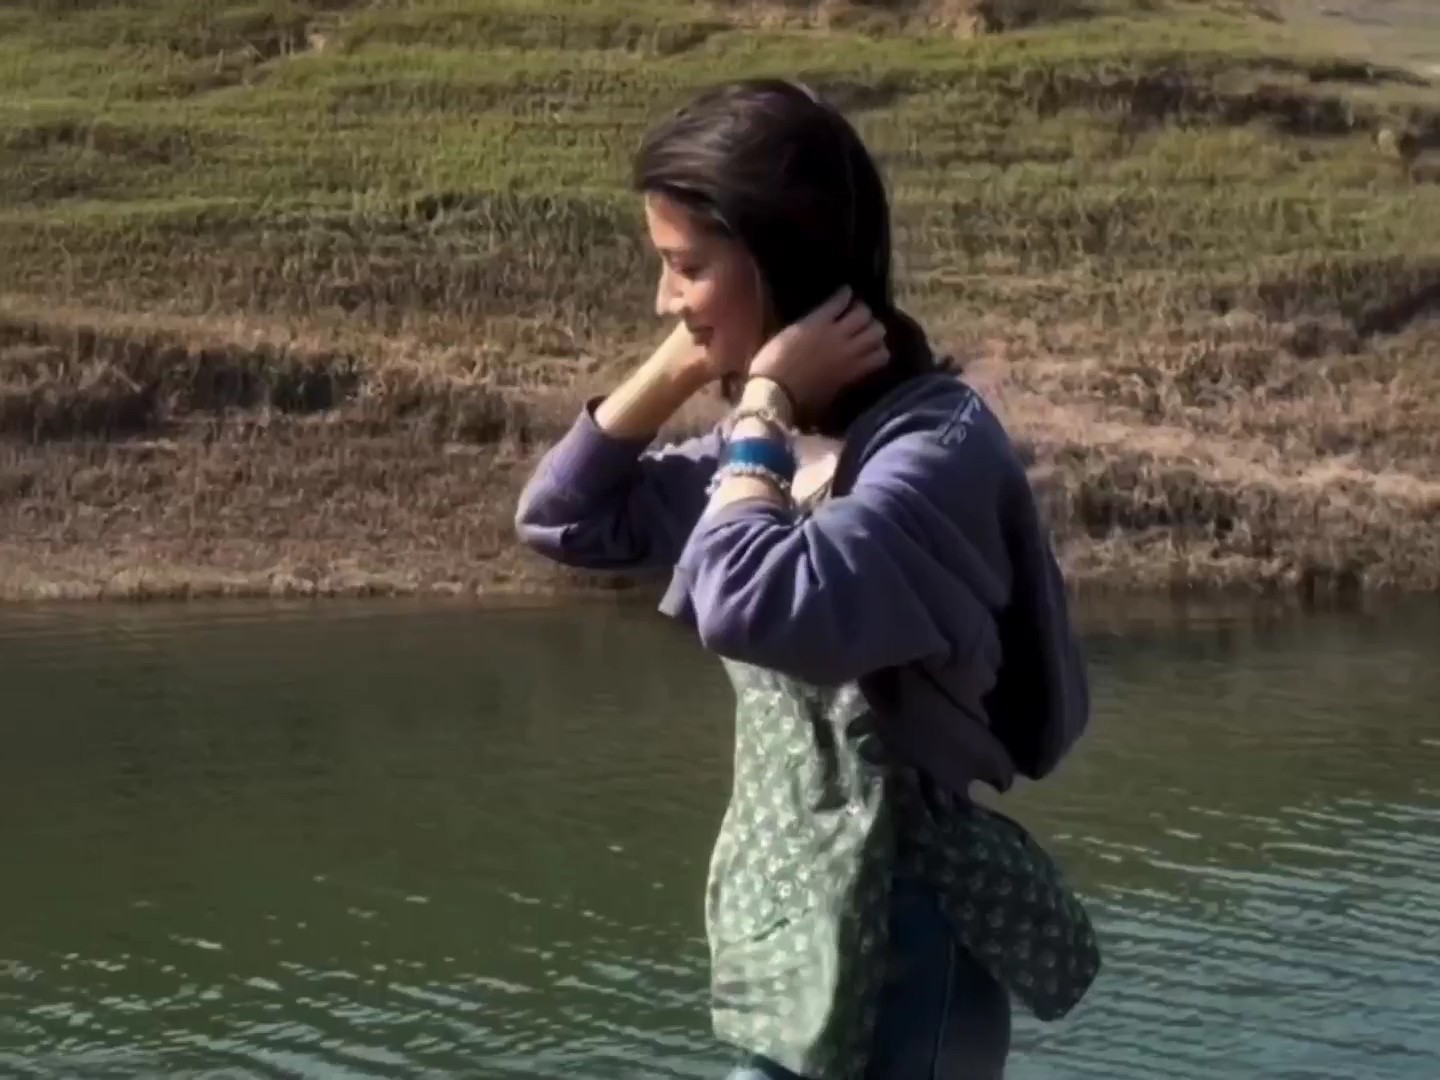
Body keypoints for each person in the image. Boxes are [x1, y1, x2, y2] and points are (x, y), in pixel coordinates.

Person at [514, 79, 1100, 1080]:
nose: (663, 299)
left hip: (904, 954)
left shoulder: (928, 457)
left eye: (685, 269)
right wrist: (685, 363)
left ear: (776, 260)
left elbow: (750, 600)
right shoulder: (788, 451)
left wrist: (763, 401)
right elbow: (563, 517)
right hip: (797, 939)